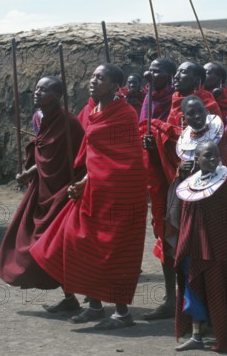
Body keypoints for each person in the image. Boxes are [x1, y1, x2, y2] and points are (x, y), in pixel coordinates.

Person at [30, 63, 147, 329]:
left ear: (116, 86)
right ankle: (94, 306)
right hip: (93, 192)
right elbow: (95, 158)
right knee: (80, 243)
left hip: (120, 195)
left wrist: (92, 181)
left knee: (114, 250)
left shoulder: (125, 114)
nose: (93, 81)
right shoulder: (95, 110)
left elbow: (125, 161)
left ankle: (122, 314)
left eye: (100, 77)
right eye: (92, 76)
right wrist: (84, 182)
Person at [140, 61, 223, 320]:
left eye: (184, 72)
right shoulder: (176, 103)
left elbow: (201, 143)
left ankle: (202, 307)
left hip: (201, 185)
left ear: (199, 79)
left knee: (197, 245)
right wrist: (153, 144)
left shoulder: (207, 106)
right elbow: (172, 143)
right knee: (168, 239)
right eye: (176, 71)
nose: (177, 76)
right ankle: (171, 300)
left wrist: (161, 131)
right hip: (173, 184)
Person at [0, 76, 84, 291]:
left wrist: (74, 187)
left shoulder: (69, 123)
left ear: (57, 96)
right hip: (42, 189)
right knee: (23, 236)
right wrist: (29, 173)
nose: (37, 92)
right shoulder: (44, 120)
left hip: (64, 192)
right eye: (36, 88)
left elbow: (77, 160)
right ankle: (69, 299)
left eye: (44, 90)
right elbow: (45, 157)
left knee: (57, 245)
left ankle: (81, 298)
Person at [174, 141, 227, 352]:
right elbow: (186, 216)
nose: (213, 159)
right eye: (207, 156)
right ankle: (196, 335)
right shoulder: (189, 184)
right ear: (196, 159)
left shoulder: (223, 180)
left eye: (216, 155)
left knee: (224, 286)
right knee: (193, 288)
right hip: (195, 245)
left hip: (219, 246)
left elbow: (224, 215)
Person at [177, 95, 227, 203]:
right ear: (184, 118)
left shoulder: (220, 136)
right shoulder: (185, 143)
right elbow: (184, 173)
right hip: (196, 195)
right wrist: (182, 170)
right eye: (191, 113)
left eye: (200, 111)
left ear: (207, 112)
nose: (197, 116)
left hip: (221, 192)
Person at [139, 58, 177, 124]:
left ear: (170, 75)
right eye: (150, 70)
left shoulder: (177, 98)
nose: (149, 74)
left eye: (156, 71)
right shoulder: (149, 96)